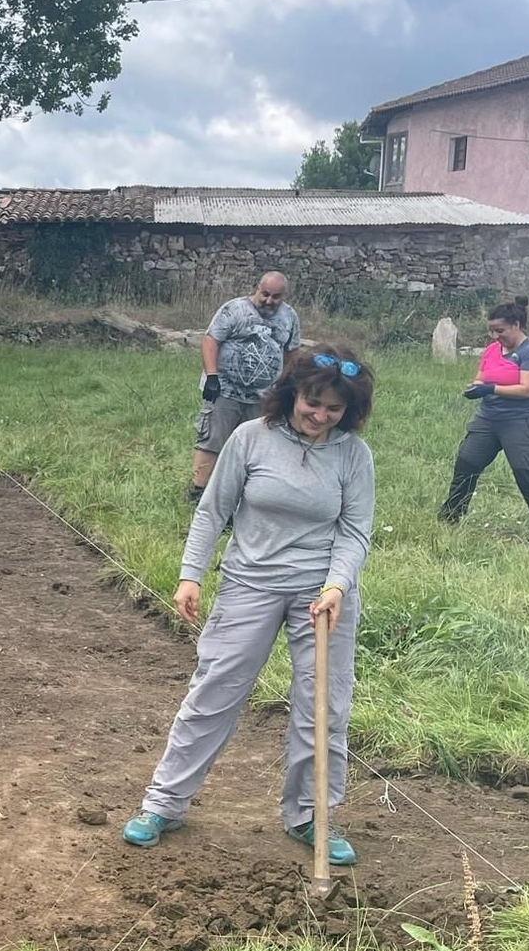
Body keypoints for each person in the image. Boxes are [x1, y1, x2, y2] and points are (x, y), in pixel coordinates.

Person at [125, 346, 376, 866]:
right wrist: (190, 575)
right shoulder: (250, 438)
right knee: (215, 690)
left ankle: (311, 816)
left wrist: (336, 586)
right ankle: (164, 804)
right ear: (292, 394)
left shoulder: (354, 454)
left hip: (322, 595)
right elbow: (213, 510)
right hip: (249, 583)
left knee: (323, 708)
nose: (320, 416)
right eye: (313, 402)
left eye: (334, 409)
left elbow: (354, 531)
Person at [440, 296, 529, 540]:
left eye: (500, 330)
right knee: (467, 463)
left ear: (516, 325)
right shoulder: (493, 350)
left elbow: (528, 389)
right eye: (491, 330)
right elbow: (481, 377)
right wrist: (475, 388)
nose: (495, 336)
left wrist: (491, 389)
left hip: (523, 420)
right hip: (489, 418)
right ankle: (451, 516)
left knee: (527, 473)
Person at [189, 272, 300, 504]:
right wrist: (212, 376)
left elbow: (292, 351)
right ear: (256, 289)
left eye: (276, 297)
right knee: (213, 438)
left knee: (252, 447)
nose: (269, 301)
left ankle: (241, 494)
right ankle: (198, 491)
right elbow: (211, 340)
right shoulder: (233, 309)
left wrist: (284, 382)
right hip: (224, 390)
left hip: (262, 396)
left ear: (284, 296)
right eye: (265, 294)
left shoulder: (290, 317)